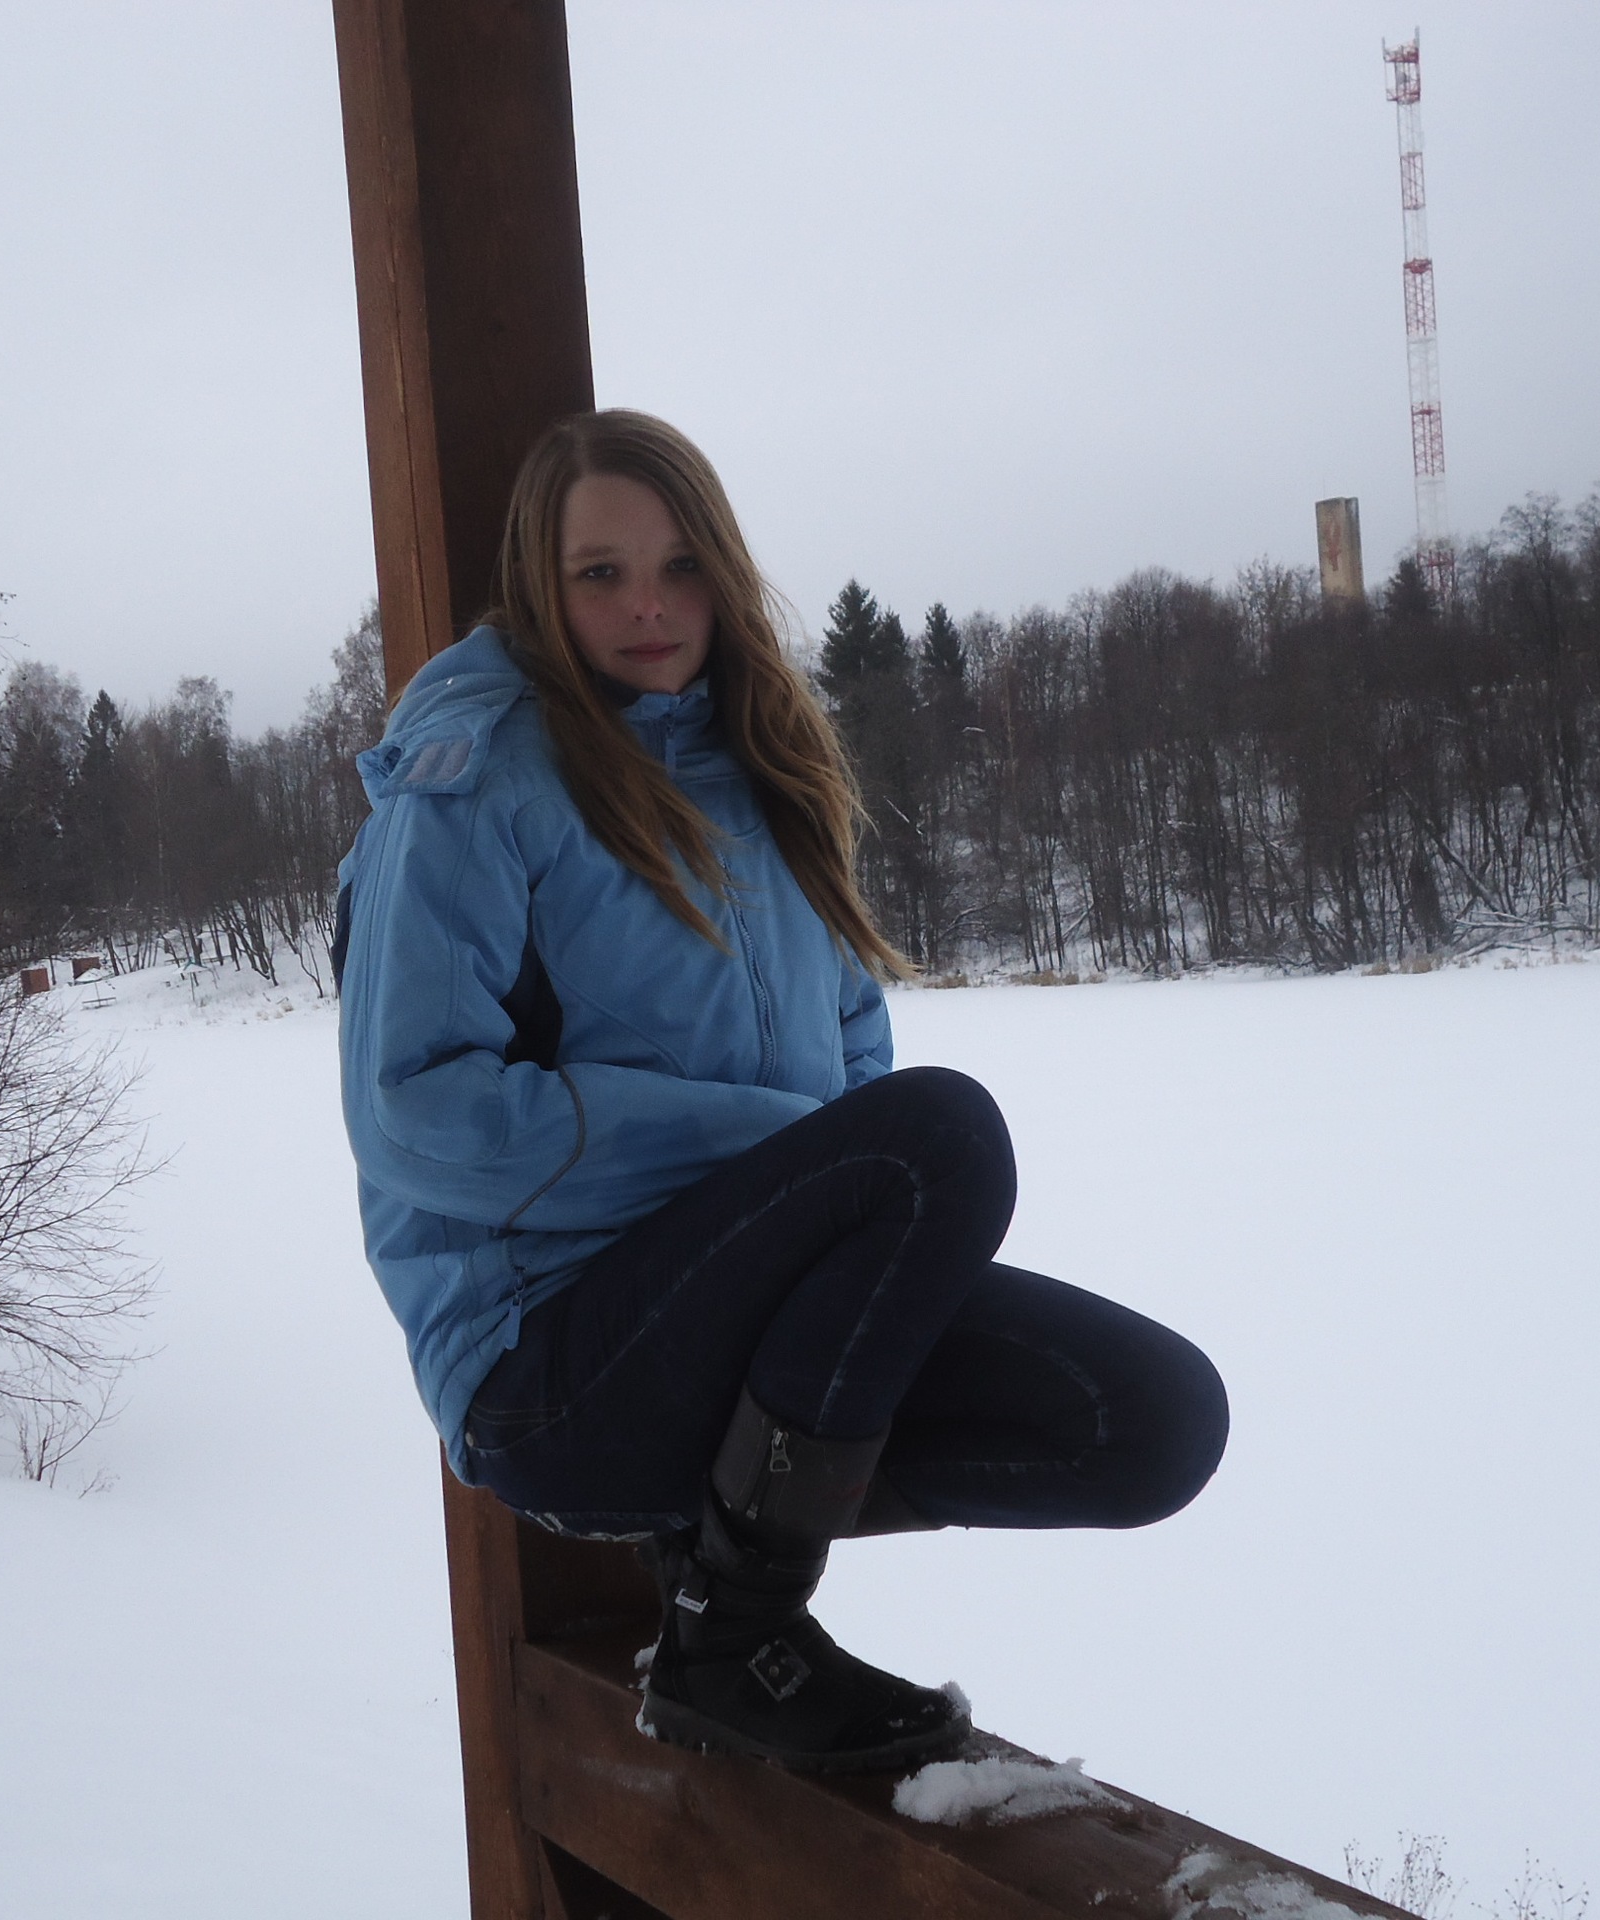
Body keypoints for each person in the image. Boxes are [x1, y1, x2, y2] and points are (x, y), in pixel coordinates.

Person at [336, 410, 1229, 1773]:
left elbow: (852, 1036)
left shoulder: (764, 766)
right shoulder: (476, 780)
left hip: (746, 1337)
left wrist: (827, 1210)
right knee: (939, 1139)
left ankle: (728, 1555)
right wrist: (769, 1152)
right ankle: (736, 1636)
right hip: (549, 1361)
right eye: (600, 573)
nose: (648, 605)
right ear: (539, 584)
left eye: (680, 566)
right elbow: (413, 1111)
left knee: (1151, 1421)